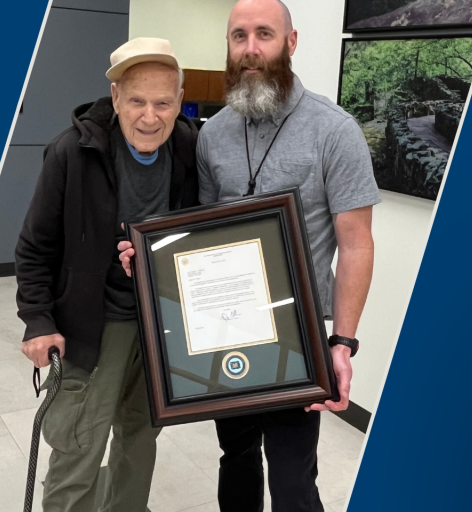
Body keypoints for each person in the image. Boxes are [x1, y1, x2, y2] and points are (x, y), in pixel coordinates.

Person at [119, 1, 378, 511]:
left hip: (299, 342)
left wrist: (342, 342)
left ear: (291, 42)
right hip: (226, 333)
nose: (251, 48)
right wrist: (150, 257)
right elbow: (201, 237)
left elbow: (357, 244)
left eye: (265, 34)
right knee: (234, 458)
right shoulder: (212, 134)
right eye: (239, 36)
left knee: (291, 477)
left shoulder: (335, 130)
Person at [15, 38, 200, 511]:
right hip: (93, 325)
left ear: (179, 102)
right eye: (136, 100)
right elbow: (36, 244)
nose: (149, 116)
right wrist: (38, 319)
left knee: (140, 439)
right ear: (115, 97)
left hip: (158, 325)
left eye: (163, 103)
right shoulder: (72, 153)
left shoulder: (188, 148)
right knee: (79, 441)